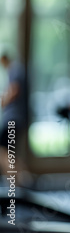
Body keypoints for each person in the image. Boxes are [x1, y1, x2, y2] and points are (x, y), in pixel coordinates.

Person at [0, 49, 28, 180]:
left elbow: (14, 91)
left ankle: (17, 182)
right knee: (10, 152)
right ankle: (22, 180)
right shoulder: (17, 70)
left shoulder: (15, 70)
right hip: (16, 119)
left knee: (4, 151)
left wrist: (3, 100)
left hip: (13, 120)